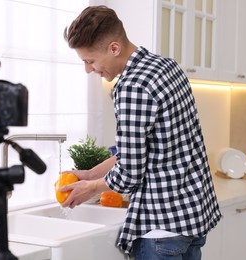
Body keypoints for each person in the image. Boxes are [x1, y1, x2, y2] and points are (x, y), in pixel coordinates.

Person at [60, 5, 221, 260]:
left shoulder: (132, 86)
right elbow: (144, 151)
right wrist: (91, 174)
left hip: (160, 229)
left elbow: (129, 174)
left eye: (90, 61)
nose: (88, 70)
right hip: (191, 218)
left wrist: (90, 188)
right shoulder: (167, 67)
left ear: (114, 48)